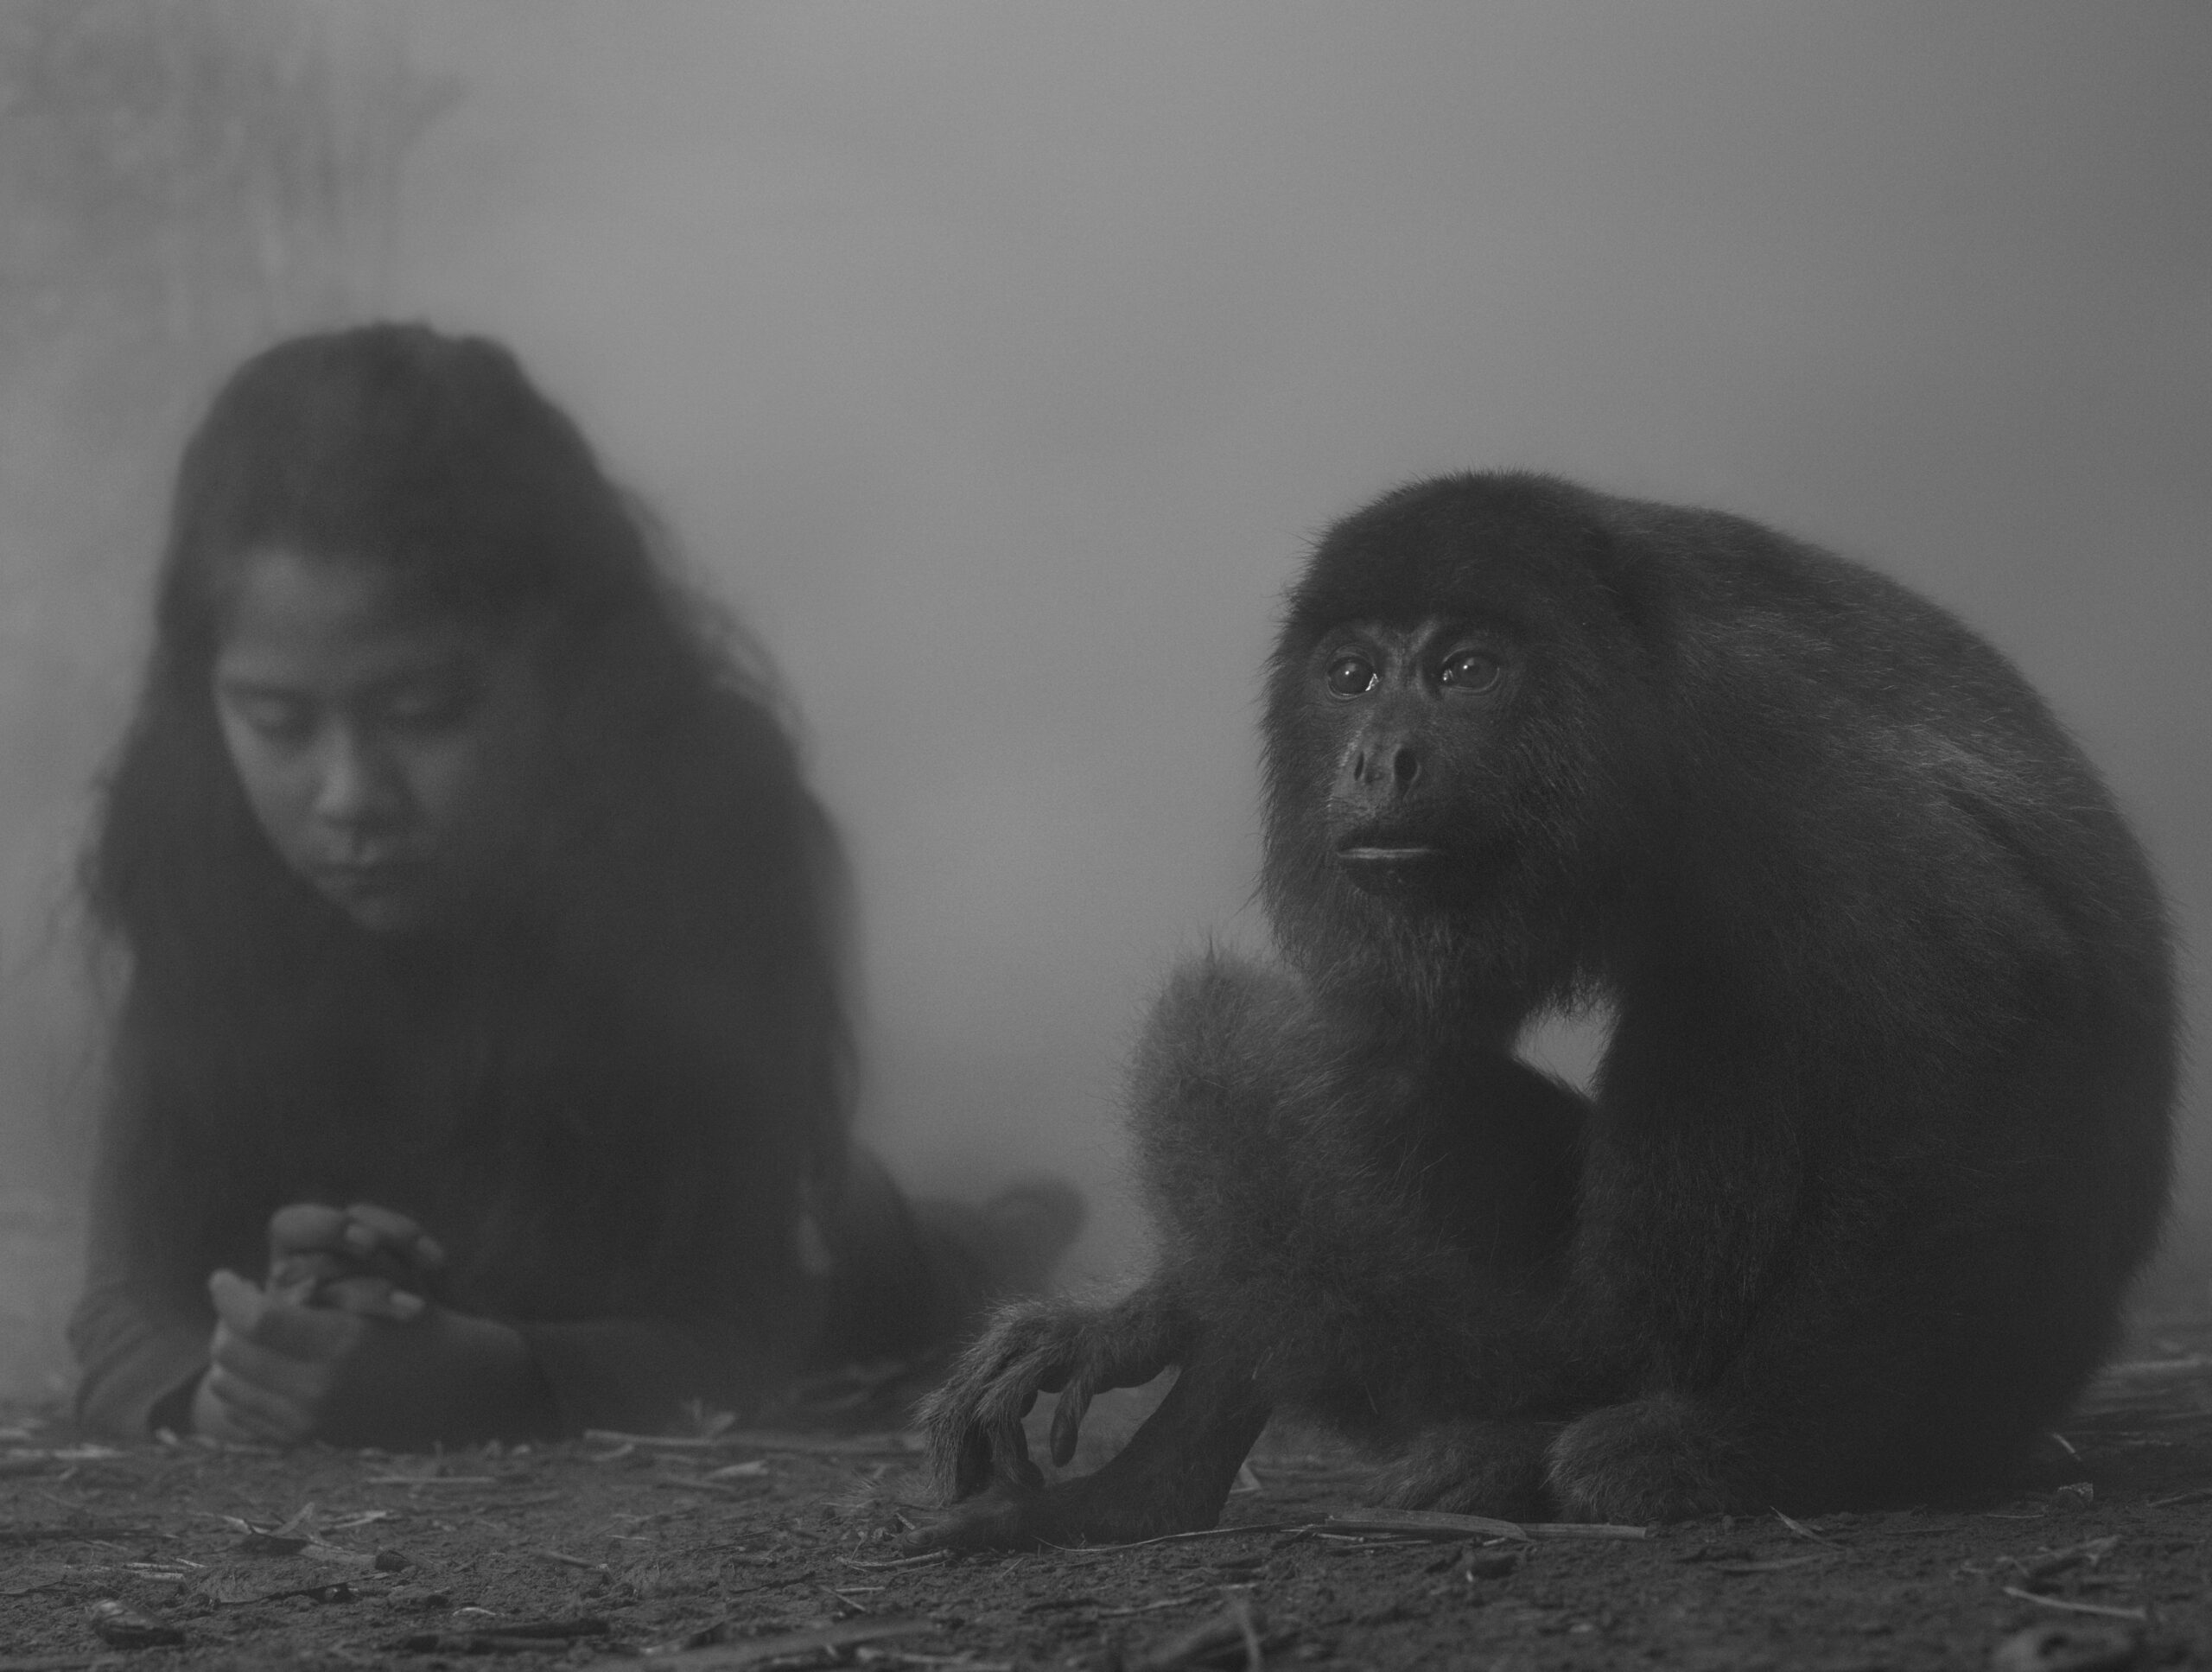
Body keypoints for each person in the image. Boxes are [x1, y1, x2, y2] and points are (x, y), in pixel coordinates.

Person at [68, 322, 1078, 1447]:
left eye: (422, 714)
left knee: (940, 1273)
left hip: (832, 1261)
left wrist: (505, 1377)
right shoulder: (192, 847)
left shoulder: (708, 832)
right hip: (498, 1284)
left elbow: (752, 1333)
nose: (349, 793)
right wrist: (231, 1387)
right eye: (278, 722)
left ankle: (1008, 1236)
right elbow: (121, 1314)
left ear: (562, 675)